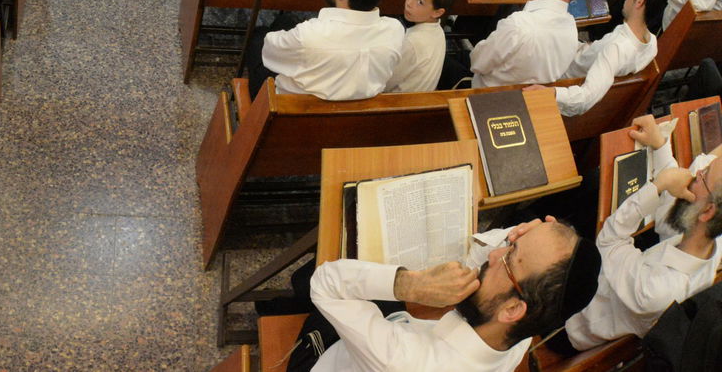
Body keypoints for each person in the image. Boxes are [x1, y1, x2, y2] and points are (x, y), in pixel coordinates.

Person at [307, 217, 598, 372]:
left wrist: (409, 285)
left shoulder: (405, 360)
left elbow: (325, 283)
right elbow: (491, 258)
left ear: (512, 309)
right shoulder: (517, 332)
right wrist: (523, 237)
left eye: (509, 256)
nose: (496, 252)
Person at [562, 114, 722, 352]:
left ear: (708, 211)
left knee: (569, 205)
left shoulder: (657, 290)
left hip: (569, 320)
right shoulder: (707, 243)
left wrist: (657, 185)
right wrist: (660, 146)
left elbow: (609, 241)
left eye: (704, 174)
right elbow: (670, 215)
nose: (696, 173)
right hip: (604, 284)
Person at [256, 0, 403, 100]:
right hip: (349, 118)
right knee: (284, 22)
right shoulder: (395, 32)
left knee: (259, 38)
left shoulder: (308, 36)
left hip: (290, 113)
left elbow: (269, 52)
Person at [468, 0, 600, 87]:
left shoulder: (519, 25)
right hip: (521, 103)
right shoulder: (572, 33)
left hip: (479, 96)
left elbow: (477, 63)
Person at [550, 0, 665, 118]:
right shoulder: (652, 44)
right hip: (580, 57)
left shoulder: (616, 48)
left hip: (561, 74)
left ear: (640, 0)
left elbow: (585, 98)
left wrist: (552, 92)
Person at [388, 0, 454, 92]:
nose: (409, 3)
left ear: (437, 12)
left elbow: (386, 81)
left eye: (420, 1)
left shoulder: (413, 43)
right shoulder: (438, 30)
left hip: (398, 104)